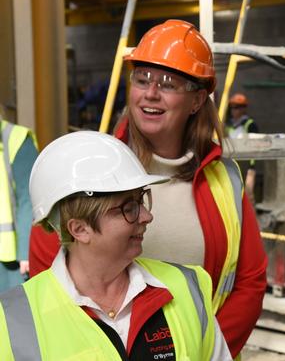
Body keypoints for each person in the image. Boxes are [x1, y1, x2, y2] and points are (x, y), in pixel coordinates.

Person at [27, 19, 267, 358]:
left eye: (168, 83)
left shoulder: (223, 176)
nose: (151, 93)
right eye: (142, 79)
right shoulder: (89, 167)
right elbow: (46, 267)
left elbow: (250, 281)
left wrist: (200, 347)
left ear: (198, 99)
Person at [0, 131, 231, 360]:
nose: (146, 216)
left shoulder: (187, 287)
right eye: (128, 208)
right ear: (79, 229)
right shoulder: (12, 320)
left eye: (141, 200)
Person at [0, 114, 38, 292]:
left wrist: (26, 251)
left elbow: (29, 198)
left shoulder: (16, 139)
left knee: (12, 316)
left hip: (11, 260)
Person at [226, 92, 260, 202]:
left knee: (248, 195)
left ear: (243, 109)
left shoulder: (250, 124)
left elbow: (256, 144)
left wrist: (252, 165)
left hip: (248, 164)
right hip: (232, 163)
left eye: (236, 107)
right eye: (232, 107)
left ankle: (251, 218)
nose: (233, 110)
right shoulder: (230, 126)